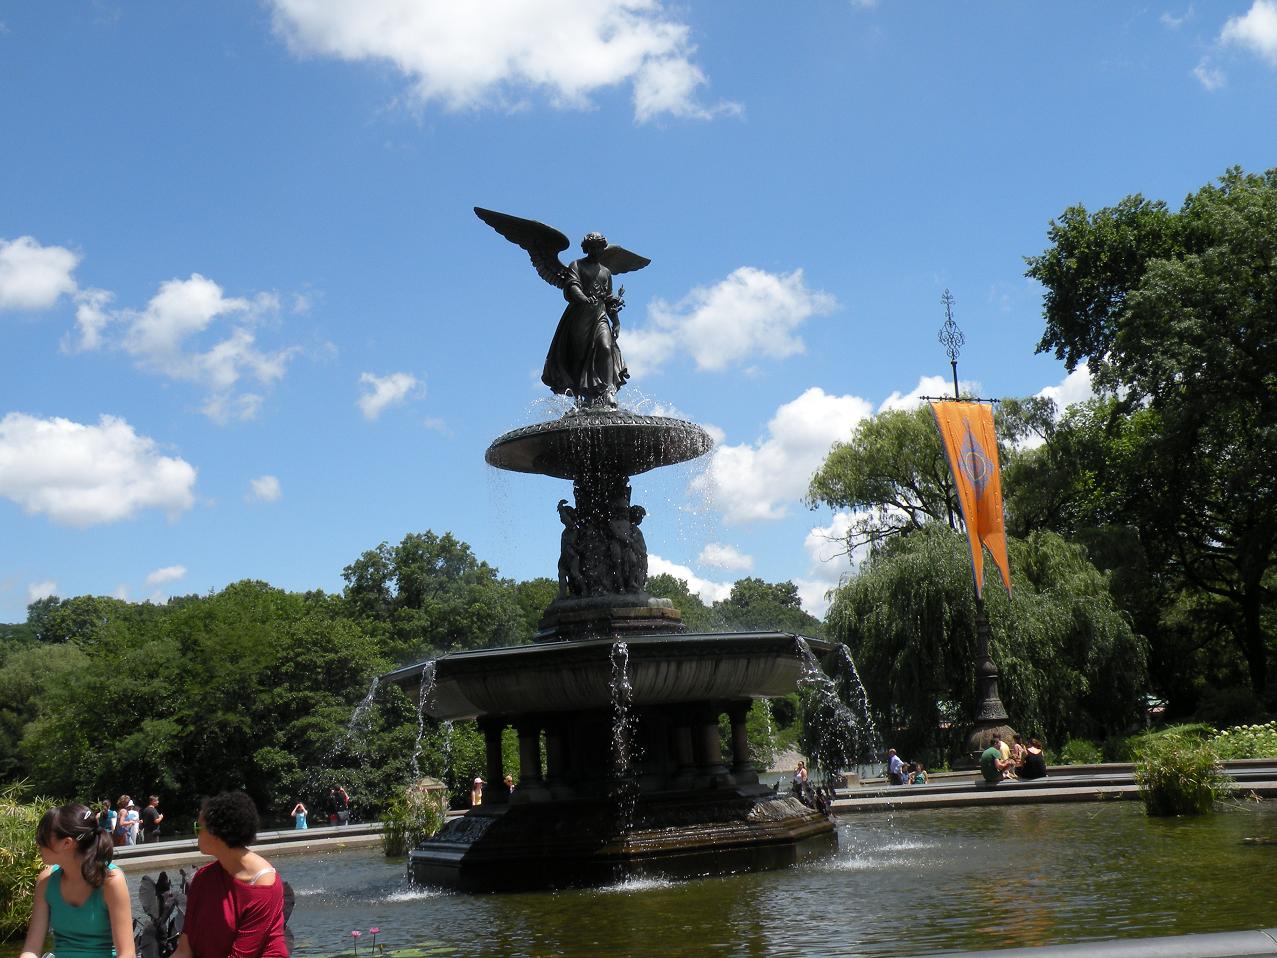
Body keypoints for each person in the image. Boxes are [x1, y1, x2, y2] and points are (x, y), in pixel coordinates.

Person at [171, 791, 287, 958]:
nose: (195, 834)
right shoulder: (203, 878)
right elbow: (184, 950)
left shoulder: (264, 886)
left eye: (198, 828)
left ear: (216, 834)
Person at [19, 804, 136, 958]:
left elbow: (127, 953)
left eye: (42, 837)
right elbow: (31, 949)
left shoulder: (111, 881)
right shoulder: (46, 881)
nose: (37, 843)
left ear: (67, 843)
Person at [541, 232, 630, 407]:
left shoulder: (606, 272)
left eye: (599, 247)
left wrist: (616, 321)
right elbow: (572, 285)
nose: (596, 251)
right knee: (579, 357)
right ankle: (580, 398)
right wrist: (583, 298)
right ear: (587, 248)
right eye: (592, 248)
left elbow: (608, 299)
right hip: (580, 317)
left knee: (606, 347)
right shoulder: (577, 265)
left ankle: (608, 390)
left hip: (600, 315)